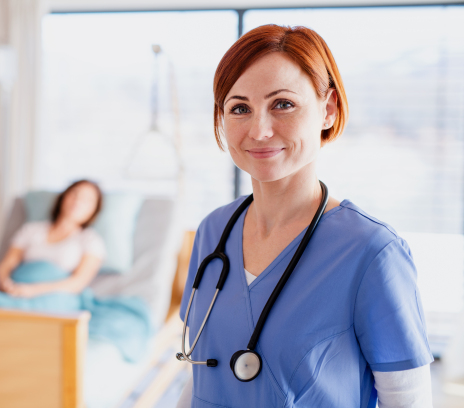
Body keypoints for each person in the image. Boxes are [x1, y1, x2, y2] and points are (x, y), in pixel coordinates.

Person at [177, 25, 433, 407]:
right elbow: (203, 375)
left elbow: (407, 400)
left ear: (327, 109)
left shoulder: (371, 251)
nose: (259, 131)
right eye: (240, 108)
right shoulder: (213, 230)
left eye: (283, 104)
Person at [0, 179, 106, 309]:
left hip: (54, 295)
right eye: (75, 194)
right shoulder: (31, 229)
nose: (78, 201)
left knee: (49, 310)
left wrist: (32, 290)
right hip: (16, 288)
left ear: (94, 210)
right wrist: (5, 283)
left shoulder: (91, 240)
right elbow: (7, 263)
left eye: (88, 200)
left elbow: (77, 283)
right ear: (63, 197)